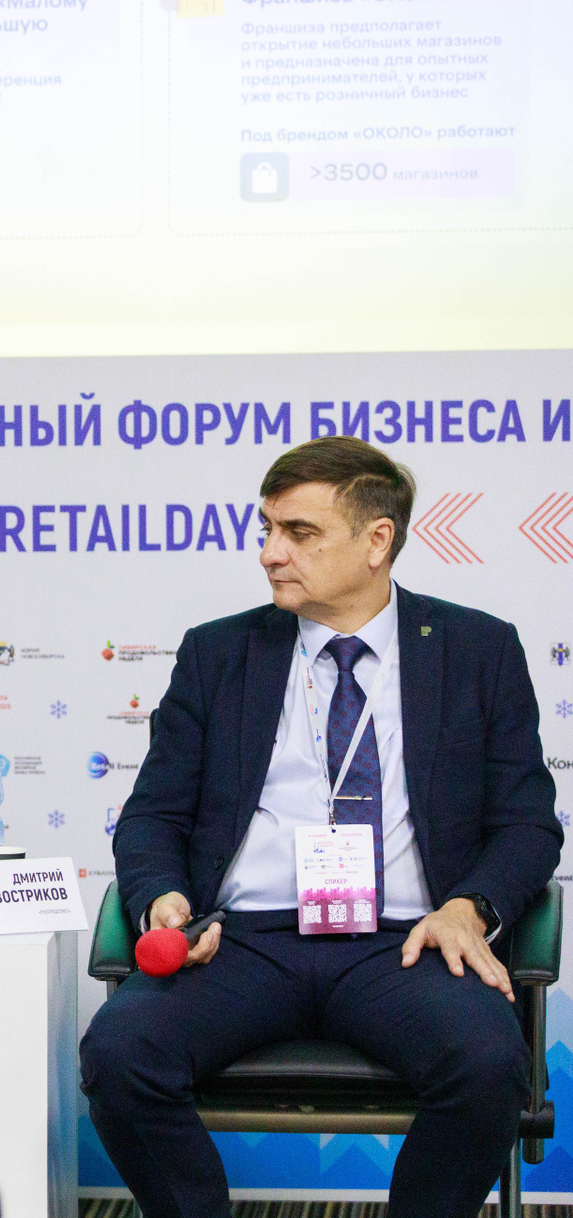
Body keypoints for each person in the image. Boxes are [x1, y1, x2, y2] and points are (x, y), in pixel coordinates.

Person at [81, 436, 559, 1217]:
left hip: (404, 941)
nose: (270, 553)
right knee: (119, 1053)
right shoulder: (217, 653)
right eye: (267, 529)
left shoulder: (477, 650)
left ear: (378, 541)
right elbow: (154, 814)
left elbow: (527, 825)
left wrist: (468, 909)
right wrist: (162, 896)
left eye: (299, 533)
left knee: (487, 1061)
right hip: (242, 941)